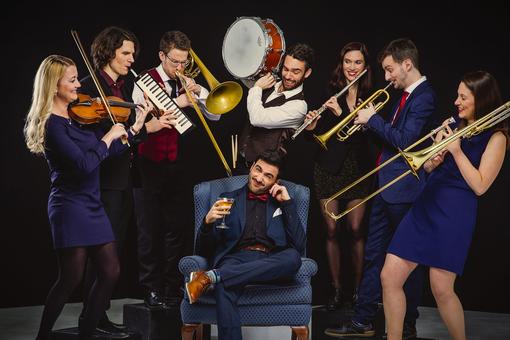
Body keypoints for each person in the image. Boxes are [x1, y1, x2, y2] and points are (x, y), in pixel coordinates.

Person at [24, 55, 150, 339]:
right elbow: (85, 164)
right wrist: (108, 137)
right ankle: (42, 335)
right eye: (71, 80)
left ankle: (87, 331)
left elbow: (104, 155)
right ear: (53, 86)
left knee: (111, 270)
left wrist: (133, 129)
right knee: (70, 278)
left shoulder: (78, 115)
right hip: (69, 206)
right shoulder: (52, 126)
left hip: (91, 203)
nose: (77, 86)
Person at [381, 71, 508, 340]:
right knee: (389, 277)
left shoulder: (497, 137)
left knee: (441, 289)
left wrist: (456, 151)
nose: (456, 102)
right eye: (458, 95)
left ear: (481, 99)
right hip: (427, 203)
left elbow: (481, 185)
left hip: (454, 213)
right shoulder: (455, 124)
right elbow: (426, 166)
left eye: (463, 97)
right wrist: (433, 159)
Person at [325, 38, 437, 338]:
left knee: (406, 259)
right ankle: (363, 320)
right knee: (375, 256)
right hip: (386, 186)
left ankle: (407, 323)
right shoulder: (403, 97)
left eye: (390, 70)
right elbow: (390, 142)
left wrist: (373, 119)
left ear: (407, 64)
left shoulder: (423, 97)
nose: (387, 77)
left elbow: (407, 141)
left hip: (404, 191)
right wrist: (367, 125)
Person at [131, 30, 220, 308]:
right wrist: (179, 102)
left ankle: (172, 286)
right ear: (162, 56)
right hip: (148, 165)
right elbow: (137, 117)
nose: (180, 67)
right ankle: (150, 288)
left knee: (175, 229)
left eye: (184, 62)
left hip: (177, 166)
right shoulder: (144, 80)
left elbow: (216, 114)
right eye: (175, 61)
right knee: (149, 230)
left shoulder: (186, 81)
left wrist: (200, 92)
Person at [185, 151, 306, 340]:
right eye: (258, 170)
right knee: (223, 286)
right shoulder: (227, 198)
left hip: (272, 261)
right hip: (236, 259)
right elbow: (203, 251)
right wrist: (207, 224)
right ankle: (219, 276)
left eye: (268, 176)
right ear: (251, 167)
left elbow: (299, 246)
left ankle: (213, 277)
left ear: (276, 182)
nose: (259, 178)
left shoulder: (282, 202)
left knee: (293, 257)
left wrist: (287, 203)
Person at [78, 26, 150, 335]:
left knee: (114, 249)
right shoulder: (87, 90)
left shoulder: (121, 89)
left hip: (121, 180)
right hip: (102, 182)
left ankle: (98, 314)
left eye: (133, 53)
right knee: (101, 254)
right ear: (108, 52)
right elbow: (96, 143)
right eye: (126, 53)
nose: (132, 59)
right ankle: (92, 319)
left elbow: (127, 137)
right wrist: (133, 129)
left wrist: (144, 123)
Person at [305, 42, 374, 310]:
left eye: (357, 62)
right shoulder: (328, 90)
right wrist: (312, 127)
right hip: (328, 168)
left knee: (356, 230)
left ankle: (358, 292)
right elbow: (318, 137)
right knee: (331, 230)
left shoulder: (372, 94)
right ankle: (336, 291)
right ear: (341, 63)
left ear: (365, 66)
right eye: (348, 62)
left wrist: (343, 114)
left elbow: (370, 137)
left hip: (358, 168)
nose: (352, 68)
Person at [237, 43, 315, 174]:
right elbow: (243, 75)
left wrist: (256, 88)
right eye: (285, 69)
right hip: (239, 161)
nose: (288, 76)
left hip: (264, 174)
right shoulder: (270, 83)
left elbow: (257, 118)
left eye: (296, 72)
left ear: (307, 73)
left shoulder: (299, 106)